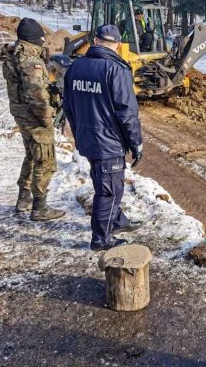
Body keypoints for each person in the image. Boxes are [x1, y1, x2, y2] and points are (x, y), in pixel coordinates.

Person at [63, 24, 143, 251]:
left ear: (95, 41)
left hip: (88, 139)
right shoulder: (117, 70)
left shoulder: (76, 67)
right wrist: (135, 142)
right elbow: (127, 114)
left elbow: (68, 106)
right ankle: (101, 238)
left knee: (105, 181)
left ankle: (116, 220)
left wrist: (79, 133)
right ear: (117, 45)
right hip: (109, 143)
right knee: (108, 190)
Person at [0, 18, 65, 221]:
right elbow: (35, 94)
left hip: (21, 113)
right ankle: (40, 207)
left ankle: (24, 199)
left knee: (31, 155)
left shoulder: (14, 55)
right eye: (41, 39)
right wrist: (47, 117)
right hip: (34, 116)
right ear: (34, 39)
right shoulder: (31, 61)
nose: (43, 42)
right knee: (45, 159)